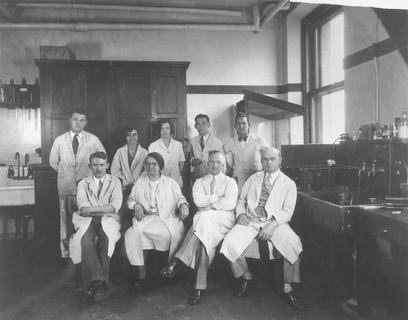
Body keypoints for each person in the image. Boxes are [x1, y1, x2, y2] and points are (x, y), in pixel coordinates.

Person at [220, 147, 305, 310]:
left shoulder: (289, 184)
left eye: (272, 159)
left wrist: (271, 226)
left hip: (276, 222)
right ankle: (245, 276)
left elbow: (287, 211)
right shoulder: (253, 178)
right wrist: (240, 215)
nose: (268, 162)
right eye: (265, 159)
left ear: (280, 159)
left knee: (294, 243)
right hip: (251, 220)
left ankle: (288, 288)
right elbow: (241, 201)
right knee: (229, 243)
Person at [160, 150, 238, 305]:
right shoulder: (199, 182)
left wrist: (208, 204)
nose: (215, 165)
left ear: (224, 165)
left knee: (203, 217)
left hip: (224, 221)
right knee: (203, 242)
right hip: (205, 224)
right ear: (207, 164)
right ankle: (198, 288)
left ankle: (178, 261)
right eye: (212, 162)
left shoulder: (230, 182)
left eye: (218, 162)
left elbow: (230, 204)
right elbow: (197, 201)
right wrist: (217, 199)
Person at [124, 152, 189, 293]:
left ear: (160, 166)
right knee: (133, 234)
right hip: (146, 218)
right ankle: (141, 273)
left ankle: (170, 270)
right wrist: (136, 205)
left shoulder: (171, 183)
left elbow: (180, 198)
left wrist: (183, 205)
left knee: (170, 235)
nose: (151, 167)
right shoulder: (140, 182)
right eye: (148, 164)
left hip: (167, 218)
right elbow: (131, 199)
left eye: (154, 164)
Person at [49, 109, 105, 258]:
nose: (78, 123)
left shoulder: (93, 140)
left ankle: (86, 253)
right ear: (69, 120)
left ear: (85, 122)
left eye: (82, 120)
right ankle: (67, 253)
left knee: (87, 220)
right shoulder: (60, 140)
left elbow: (102, 159)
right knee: (65, 221)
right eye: (75, 119)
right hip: (65, 188)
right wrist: (66, 174)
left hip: (87, 189)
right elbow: (53, 162)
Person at [69, 152, 122, 303]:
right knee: (84, 241)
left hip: (109, 219)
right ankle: (100, 283)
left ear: (107, 165)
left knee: (107, 240)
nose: (98, 168)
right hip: (87, 220)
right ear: (89, 166)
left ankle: (97, 283)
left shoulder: (115, 182)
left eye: (101, 165)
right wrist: (102, 209)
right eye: (95, 165)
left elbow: (115, 206)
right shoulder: (83, 183)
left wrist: (94, 209)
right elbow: (82, 207)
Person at [111, 127, 148, 228]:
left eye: (134, 134)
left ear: (138, 137)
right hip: (123, 187)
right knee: (124, 214)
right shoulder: (120, 152)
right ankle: (125, 235)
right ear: (125, 137)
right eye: (129, 135)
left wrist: (136, 182)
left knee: (138, 212)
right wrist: (123, 182)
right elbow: (115, 170)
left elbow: (146, 171)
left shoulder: (144, 152)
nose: (132, 137)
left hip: (139, 186)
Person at [223, 112, 268, 193]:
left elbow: (269, 156)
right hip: (237, 180)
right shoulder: (230, 142)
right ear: (235, 126)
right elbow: (220, 155)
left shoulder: (259, 140)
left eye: (244, 123)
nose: (241, 126)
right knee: (238, 202)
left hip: (255, 178)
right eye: (238, 124)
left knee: (253, 202)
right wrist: (228, 168)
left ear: (249, 125)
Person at [148, 120, 185, 188]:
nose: (165, 131)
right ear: (159, 130)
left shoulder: (178, 145)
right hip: (159, 181)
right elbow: (150, 164)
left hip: (176, 180)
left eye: (167, 128)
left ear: (171, 130)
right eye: (162, 128)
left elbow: (181, 162)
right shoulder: (153, 145)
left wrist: (176, 173)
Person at [190, 114, 223, 181]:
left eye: (203, 123)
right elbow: (190, 157)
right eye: (198, 124)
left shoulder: (217, 142)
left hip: (212, 176)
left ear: (209, 124)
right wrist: (192, 160)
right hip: (197, 176)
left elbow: (222, 163)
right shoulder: (192, 141)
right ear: (195, 126)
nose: (201, 126)